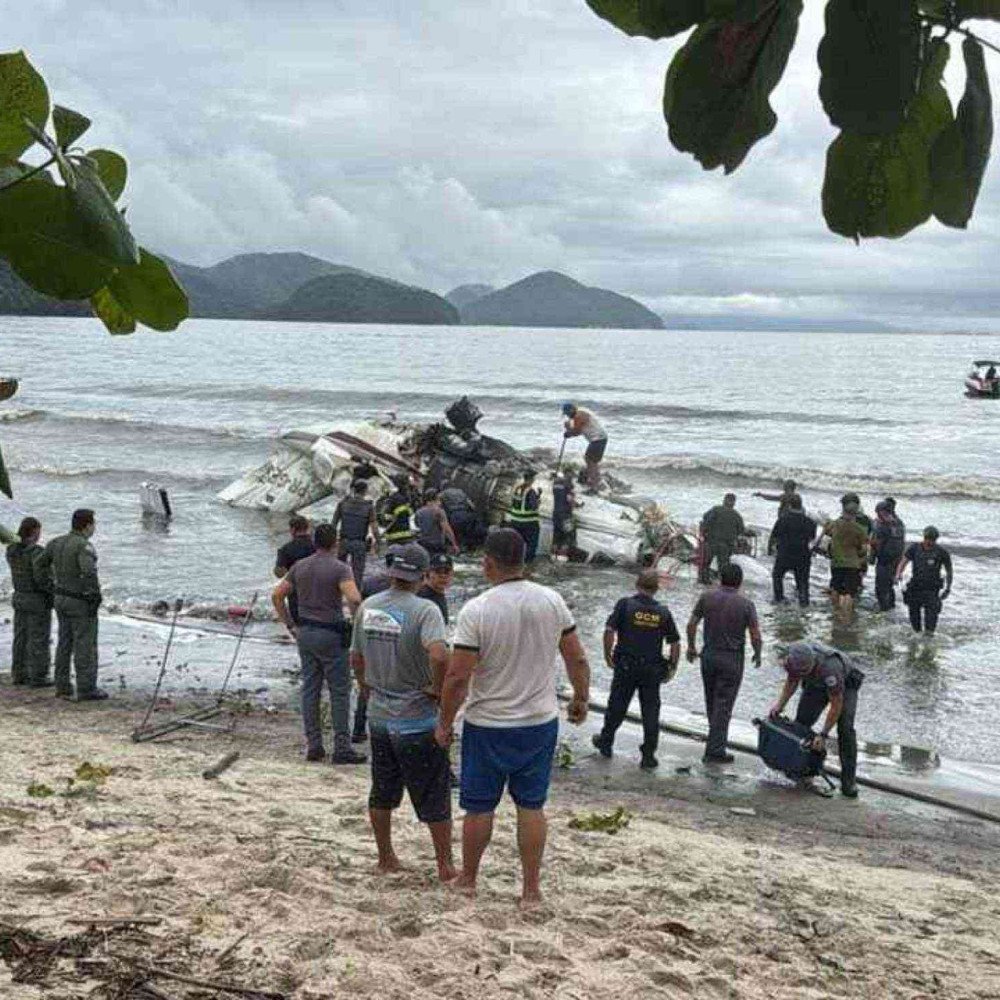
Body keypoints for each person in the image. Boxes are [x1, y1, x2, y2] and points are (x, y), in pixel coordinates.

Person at [434, 528, 590, 906]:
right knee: (531, 806)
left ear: (487, 563)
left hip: (488, 722)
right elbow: (577, 658)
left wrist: (444, 722)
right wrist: (580, 699)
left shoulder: (478, 609)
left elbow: (457, 676)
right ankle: (531, 890)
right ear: (526, 560)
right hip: (538, 721)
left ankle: (469, 879)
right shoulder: (553, 601)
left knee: (479, 806)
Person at [349, 543, 455, 881]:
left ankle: (386, 857)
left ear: (392, 573)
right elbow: (439, 656)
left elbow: (356, 656)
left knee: (382, 790)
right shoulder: (425, 611)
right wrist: (437, 690)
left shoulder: (368, 606)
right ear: (423, 576)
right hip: (417, 717)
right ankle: (445, 865)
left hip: (379, 715)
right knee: (434, 796)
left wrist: (366, 687)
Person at [272, 523, 366, 764]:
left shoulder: (299, 566)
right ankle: (342, 747)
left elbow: (277, 595)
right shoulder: (340, 568)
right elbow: (354, 598)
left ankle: (314, 745)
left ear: (315, 542)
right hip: (331, 634)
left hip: (305, 631)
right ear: (335, 542)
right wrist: (357, 624)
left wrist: (290, 624)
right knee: (339, 691)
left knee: (310, 689)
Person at [592, 570, 681, 770]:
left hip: (626, 665)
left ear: (637, 584)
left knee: (617, 705)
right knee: (650, 711)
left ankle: (606, 742)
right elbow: (675, 642)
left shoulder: (625, 605)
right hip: (651, 669)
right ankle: (648, 754)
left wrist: (607, 655)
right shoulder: (664, 612)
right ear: (656, 589)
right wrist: (673, 667)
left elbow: (609, 631)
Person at [686, 563, 761, 763]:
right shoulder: (746, 604)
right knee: (724, 704)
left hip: (708, 655)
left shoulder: (707, 597)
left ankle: (715, 742)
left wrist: (692, 647)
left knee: (711, 701)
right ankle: (715, 750)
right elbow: (755, 634)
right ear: (740, 582)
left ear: (720, 579)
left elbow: (692, 624)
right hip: (731, 658)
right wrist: (758, 653)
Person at [769, 640, 864, 798]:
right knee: (801, 723)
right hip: (815, 684)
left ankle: (848, 781)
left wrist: (823, 734)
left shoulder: (831, 669)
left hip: (844, 685)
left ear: (812, 666)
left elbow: (836, 705)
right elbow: (792, 681)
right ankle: (800, 771)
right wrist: (779, 705)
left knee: (846, 728)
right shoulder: (794, 654)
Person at [40, 509, 106, 701]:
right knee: (85, 644)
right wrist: (94, 595)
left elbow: (39, 564)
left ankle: (62, 685)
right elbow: (88, 572)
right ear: (87, 525)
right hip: (79, 601)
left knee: (64, 642)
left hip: (60, 598)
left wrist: (50, 584)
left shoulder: (56, 542)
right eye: (93, 523)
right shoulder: (83, 546)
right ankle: (86, 688)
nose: (94, 527)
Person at [6, 517, 53, 687]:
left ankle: (18, 673)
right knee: (38, 638)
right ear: (34, 532)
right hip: (36, 599)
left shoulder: (12, 550)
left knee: (20, 637)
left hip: (19, 595)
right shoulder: (37, 552)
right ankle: (38, 676)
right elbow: (41, 578)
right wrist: (52, 591)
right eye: (39, 531)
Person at [896, 526, 953, 635]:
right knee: (914, 616)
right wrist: (899, 574)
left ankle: (928, 637)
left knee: (931, 619)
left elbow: (949, 571)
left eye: (932, 540)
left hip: (932, 589)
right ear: (924, 537)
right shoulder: (914, 548)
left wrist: (948, 588)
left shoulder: (941, 552)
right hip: (915, 587)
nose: (929, 542)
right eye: (928, 539)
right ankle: (916, 635)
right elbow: (903, 562)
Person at [822, 497, 869, 617]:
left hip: (836, 562)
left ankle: (836, 610)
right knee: (849, 592)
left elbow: (826, 534)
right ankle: (846, 615)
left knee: (835, 588)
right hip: (852, 563)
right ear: (855, 513)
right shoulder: (860, 529)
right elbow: (863, 550)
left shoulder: (834, 524)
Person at [332, 479, 380, 587]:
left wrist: (332, 543)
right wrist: (378, 542)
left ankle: (336, 594)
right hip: (359, 543)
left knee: (338, 573)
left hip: (343, 542)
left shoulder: (343, 504)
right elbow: (374, 528)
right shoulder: (369, 507)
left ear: (353, 490)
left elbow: (333, 524)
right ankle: (356, 598)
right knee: (357, 575)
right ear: (365, 491)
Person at [771, 495, 817, 606]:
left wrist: (773, 548)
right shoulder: (810, 522)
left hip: (784, 553)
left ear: (789, 506)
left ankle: (779, 598)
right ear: (801, 505)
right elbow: (812, 538)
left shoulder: (782, 520)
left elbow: (775, 536)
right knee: (803, 580)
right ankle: (804, 601)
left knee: (777, 575)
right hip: (802, 554)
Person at [273, 515, 315, 627]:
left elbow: (278, 573)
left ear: (292, 530)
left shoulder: (286, 549)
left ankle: (291, 626)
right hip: (317, 593)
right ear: (307, 528)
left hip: (296, 595)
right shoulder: (317, 546)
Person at [699, 493, 745, 585]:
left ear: (724, 500)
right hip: (726, 545)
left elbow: (705, 518)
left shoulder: (716, 509)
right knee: (723, 567)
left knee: (705, 563)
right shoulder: (737, 515)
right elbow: (741, 530)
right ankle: (723, 584)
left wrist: (703, 533)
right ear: (734, 503)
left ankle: (704, 581)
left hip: (712, 542)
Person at [562, 402, 608, 491]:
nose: (568, 416)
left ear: (572, 410)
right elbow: (578, 431)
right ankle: (595, 481)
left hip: (598, 438)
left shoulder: (579, 415)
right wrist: (569, 431)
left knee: (590, 460)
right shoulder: (580, 413)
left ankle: (595, 485)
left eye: (567, 414)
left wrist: (568, 429)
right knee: (591, 461)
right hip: (599, 438)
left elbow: (576, 431)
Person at [870, 501, 906, 611]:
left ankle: (884, 608)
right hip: (897, 560)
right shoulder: (899, 523)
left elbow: (876, 544)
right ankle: (891, 607)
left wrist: (871, 557)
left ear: (883, 512)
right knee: (889, 586)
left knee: (880, 588)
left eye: (878, 513)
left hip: (884, 560)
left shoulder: (882, 526)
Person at [506, 470, 542, 562]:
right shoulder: (531, 491)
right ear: (531, 479)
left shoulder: (516, 489)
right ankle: (527, 564)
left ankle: (513, 562)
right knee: (531, 545)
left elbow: (516, 503)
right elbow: (533, 507)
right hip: (529, 523)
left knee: (516, 544)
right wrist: (538, 501)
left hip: (514, 522)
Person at [440, 486, 487, 551]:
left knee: (457, 533)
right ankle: (470, 547)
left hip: (454, 515)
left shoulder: (443, 494)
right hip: (466, 514)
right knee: (469, 531)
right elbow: (472, 505)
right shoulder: (460, 491)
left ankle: (460, 548)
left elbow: (439, 507)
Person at [414, 490, 458, 557]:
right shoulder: (439, 512)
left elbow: (417, 526)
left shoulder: (418, 512)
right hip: (437, 545)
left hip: (423, 544)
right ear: (436, 499)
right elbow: (447, 529)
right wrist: (454, 544)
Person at [418, 552, 454, 625]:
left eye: (446, 572)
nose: (443, 576)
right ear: (428, 573)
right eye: (438, 572)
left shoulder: (438, 594)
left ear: (452, 574)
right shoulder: (424, 598)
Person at [382, 475, 418, 545]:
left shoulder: (395, 498)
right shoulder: (399, 499)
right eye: (407, 485)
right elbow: (406, 514)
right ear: (403, 485)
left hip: (394, 537)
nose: (408, 488)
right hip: (401, 537)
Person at [551, 473, 577, 556]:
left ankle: (553, 555)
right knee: (568, 536)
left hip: (556, 514)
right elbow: (570, 501)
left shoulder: (555, 487)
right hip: (566, 516)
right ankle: (562, 557)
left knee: (556, 536)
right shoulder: (568, 488)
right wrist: (576, 505)